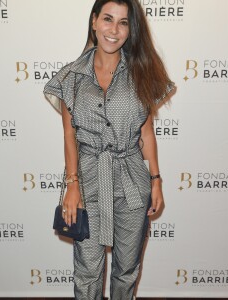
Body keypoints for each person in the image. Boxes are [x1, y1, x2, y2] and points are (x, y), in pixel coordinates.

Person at [44, 0, 175, 298]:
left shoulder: (142, 73)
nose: (114, 30)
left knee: (127, 269)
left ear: (131, 30)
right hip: (88, 179)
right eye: (107, 19)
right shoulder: (71, 77)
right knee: (87, 270)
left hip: (131, 180)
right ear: (93, 22)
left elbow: (146, 131)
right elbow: (69, 134)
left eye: (123, 22)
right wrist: (72, 185)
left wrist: (156, 179)